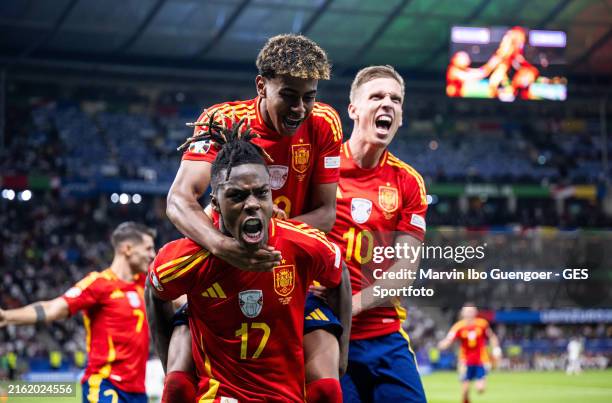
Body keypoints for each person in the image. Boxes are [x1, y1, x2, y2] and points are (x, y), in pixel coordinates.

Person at [154, 33, 350, 402]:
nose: (300, 109)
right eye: (289, 96)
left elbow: (326, 213)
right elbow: (179, 199)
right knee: (177, 382)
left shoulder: (325, 122)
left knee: (326, 385)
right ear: (261, 85)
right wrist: (226, 248)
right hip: (220, 268)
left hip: (285, 265)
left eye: (309, 97)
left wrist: (276, 236)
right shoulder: (222, 120)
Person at [323, 65, 428, 402]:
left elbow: (405, 269)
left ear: (400, 117)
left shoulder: (408, 182)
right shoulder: (319, 167)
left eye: (395, 100)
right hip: (324, 331)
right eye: (377, 96)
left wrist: (352, 304)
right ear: (353, 109)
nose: (388, 104)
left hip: (384, 334)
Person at [0, 222, 156, 403]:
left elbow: (179, 300)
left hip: (138, 392)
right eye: (148, 248)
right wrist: (6, 317)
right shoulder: (99, 284)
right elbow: (53, 309)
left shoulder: (146, 284)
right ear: (127, 248)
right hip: (105, 386)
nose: (152, 255)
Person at [438, 303, 502, 403]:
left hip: (481, 360)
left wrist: (496, 349)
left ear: (475, 312)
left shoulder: (482, 324)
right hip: (465, 360)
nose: (469, 313)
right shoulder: (458, 326)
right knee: (465, 390)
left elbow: (492, 337)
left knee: (480, 389)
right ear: (462, 313)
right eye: (467, 311)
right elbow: (449, 339)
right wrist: (443, 345)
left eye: (471, 311)